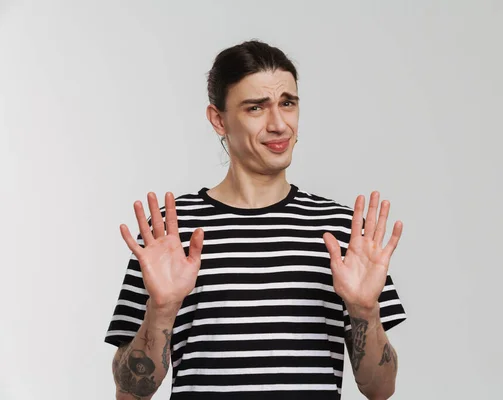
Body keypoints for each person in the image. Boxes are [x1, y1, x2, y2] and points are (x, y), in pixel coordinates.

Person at [105, 40, 407, 400]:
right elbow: (130, 393)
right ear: (219, 120)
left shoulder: (344, 231)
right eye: (255, 108)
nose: (279, 125)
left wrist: (365, 311)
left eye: (288, 103)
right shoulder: (170, 232)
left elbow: (380, 389)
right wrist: (161, 311)